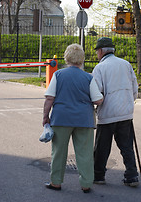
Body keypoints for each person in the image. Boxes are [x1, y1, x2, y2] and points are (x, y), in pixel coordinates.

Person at [43, 43, 103, 193]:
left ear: (67, 58)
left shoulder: (58, 75)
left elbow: (49, 98)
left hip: (61, 119)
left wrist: (45, 117)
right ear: (82, 59)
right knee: (85, 153)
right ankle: (86, 184)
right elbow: (97, 100)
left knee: (58, 152)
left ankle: (56, 181)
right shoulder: (88, 77)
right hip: (84, 120)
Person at [92, 37, 139, 187]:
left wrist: (96, 106)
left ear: (101, 51)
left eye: (97, 52)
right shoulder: (126, 64)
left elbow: (96, 93)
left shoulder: (100, 68)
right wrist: (128, 103)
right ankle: (132, 176)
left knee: (102, 147)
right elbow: (134, 89)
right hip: (126, 112)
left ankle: (99, 176)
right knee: (126, 146)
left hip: (107, 114)